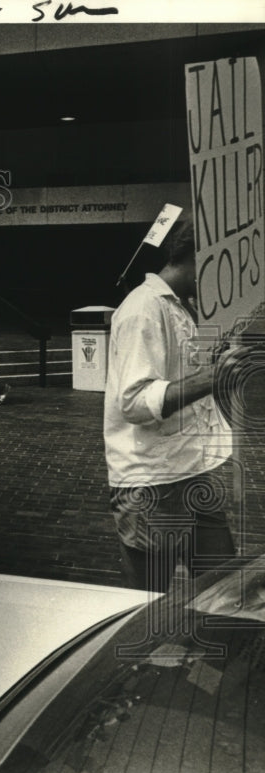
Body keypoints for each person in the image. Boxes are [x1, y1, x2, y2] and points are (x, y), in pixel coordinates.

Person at [104, 217, 238, 593]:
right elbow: (133, 401)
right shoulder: (143, 309)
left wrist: (220, 365)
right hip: (153, 481)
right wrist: (212, 376)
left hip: (194, 468)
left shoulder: (185, 306)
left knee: (223, 590)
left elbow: (188, 379)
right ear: (200, 256)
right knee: (148, 603)